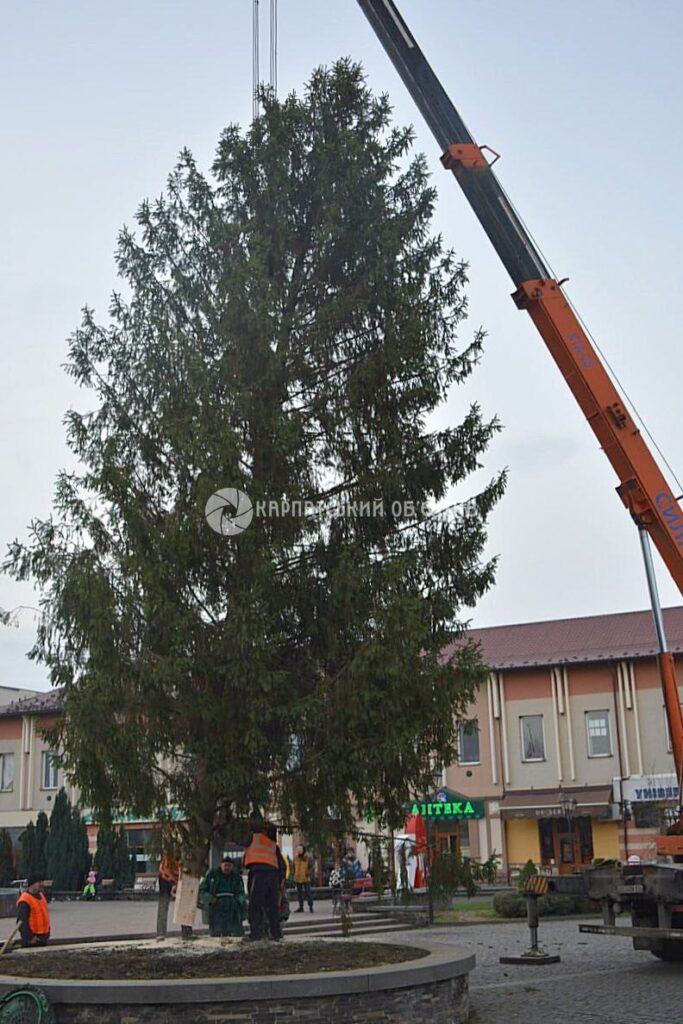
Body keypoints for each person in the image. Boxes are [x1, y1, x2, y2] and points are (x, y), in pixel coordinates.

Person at [243, 823, 287, 941]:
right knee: (272, 907)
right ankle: (276, 934)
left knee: (255, 906)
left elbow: (241, 840)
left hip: (259, 873)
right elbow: (282, 865)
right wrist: (281, 880)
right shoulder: (273, 845)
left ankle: (255, 933)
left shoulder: (253, 838)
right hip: (273, 876)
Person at [198, 857, 246, 937]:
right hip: (216, 905)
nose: (227, 868)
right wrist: (209, 898)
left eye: (229, 866)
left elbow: (241, 892)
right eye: (225, 865)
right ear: (221, 865)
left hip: (231, 906)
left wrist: (238, 901)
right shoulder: (212, 874)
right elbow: (202, 890)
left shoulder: (236, 877)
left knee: (233, 932)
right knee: (216, 932)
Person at [16, 874, 50, 947]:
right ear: (32, 884)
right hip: (32, 940)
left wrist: (47, 932)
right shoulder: (25, 900)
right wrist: (29, 937)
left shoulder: (41, 896)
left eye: (42, 882)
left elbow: (45, 915)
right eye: (39, 882)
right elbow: (21, 922)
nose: (42, 884)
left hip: (42, 937)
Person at [156, 853, 180, 938]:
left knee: (184, 905)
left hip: (177, 878)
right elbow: (166, 871)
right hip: (165, 878)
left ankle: (187, 932)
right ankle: (161, 933)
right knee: (163, 904)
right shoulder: (170, 856)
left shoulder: (188, 856)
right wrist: (174, 883)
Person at [293, 844, 314, 913]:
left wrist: (308, 873)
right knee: (299, 894)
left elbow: (311, 866)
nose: (299, 850)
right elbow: (293, 866)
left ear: (303, 849)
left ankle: (310, 906)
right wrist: (294, 873)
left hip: (305, 878)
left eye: (300, 849)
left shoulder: (308, 857)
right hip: (297, 878)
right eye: (298, 849)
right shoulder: (295, 857)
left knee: (308, 893)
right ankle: (301, 907)